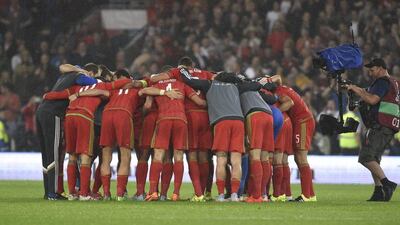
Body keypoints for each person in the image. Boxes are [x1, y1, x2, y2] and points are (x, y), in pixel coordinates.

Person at [179, 71, 270, 202]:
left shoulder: (209, 84)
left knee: (221, 159)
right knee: (236, 160)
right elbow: (255, 86)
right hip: (238, 122)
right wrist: (263, 81)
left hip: (221, 122)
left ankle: (221, 195)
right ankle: (234, 195)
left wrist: (182, 70)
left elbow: (189, 80)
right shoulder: (236, 86)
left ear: (217, 77)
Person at [36, 63, 98, 200]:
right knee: (54, 153)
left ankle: (48, 191)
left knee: (46, 154)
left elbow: (63, 66)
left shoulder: (64, 77)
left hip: (41, 111)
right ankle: (53, 193)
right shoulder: (79, 77)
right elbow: (91, 82)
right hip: (53, 114)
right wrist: (90, 76)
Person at [345, 58, 398, 201]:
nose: (369, 72)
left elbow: (373, 100)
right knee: (374, 159)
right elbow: (368, 93)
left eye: (372, 69)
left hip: (381, 125)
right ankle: (379, 191)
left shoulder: (382, 81)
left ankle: (387, 184)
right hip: (389, 125)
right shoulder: (394, 82)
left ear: (381, 68)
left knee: (366, 157)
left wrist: (356, 89)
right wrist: (356, 89)